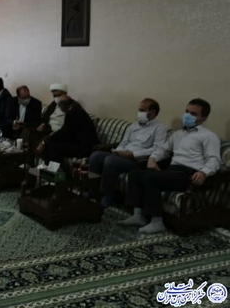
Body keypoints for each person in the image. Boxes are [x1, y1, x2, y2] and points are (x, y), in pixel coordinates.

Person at [120, 98, 221, 234]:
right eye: (187, 111)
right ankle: (138, 216)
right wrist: (153, 158)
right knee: (135, 174)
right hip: (173, 170)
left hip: (189, 174)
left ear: (203, 118)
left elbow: (214, 160)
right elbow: (163, 150)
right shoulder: (178, 134)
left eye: (193, 114)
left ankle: (157, 221)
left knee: (150, 178)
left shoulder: (209, 136)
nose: (188, 116)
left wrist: (204, 172)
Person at [89, 98, 167, 208]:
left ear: (152, 112)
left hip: (137, 161)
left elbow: (157, 149)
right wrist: (118, 151)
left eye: (142, 110)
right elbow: (124, 142)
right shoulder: (134, 125)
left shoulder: (159, 128)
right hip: (121, 155)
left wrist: (132, 154)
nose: (139, 113)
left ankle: (107, 195)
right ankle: (93, 191)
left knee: (110, 161)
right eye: (139, 110)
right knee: (96, 156)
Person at [37, 95, 99, 164]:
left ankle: (58, 169)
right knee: (52, 144)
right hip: (80, 143)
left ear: (62, 106)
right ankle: (51, 167)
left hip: (85, 148)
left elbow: (64, 132)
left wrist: (45, 141)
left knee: (52, 146)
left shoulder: (74, 113)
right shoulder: (75, 109)